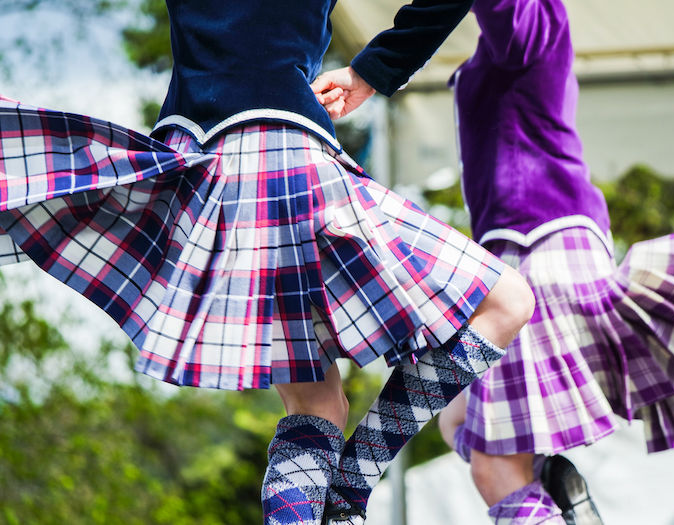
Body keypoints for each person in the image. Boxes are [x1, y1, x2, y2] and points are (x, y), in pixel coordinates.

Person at [0, 1, 535, 524]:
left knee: (316, 408)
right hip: (287, 153)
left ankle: (344, 492)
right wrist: (375, 69)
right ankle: (352, 483)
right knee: (506, 301)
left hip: (205, 175)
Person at [312, 0, 674, 523]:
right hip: (525, 254)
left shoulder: (538, 20)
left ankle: (544, 497)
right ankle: (554, 490)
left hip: (540, 249)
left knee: (493, 465)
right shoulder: (510, 46)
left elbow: (508, 16)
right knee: (458, 419)